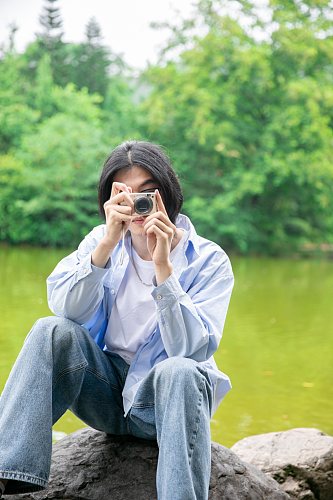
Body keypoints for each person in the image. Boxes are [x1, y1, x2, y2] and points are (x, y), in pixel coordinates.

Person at [0, 140, 234, 499]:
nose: (139, 206)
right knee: (50, 330)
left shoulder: (209, 260)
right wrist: (107, 243)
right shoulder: (101, 239)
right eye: (126, 194)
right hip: (105, 396)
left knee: (181, 370)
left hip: (165, 404)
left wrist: (163, 270)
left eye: (148, 193)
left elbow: (193, 349)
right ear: (110, 199)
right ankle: (8, 474)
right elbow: (66, 310)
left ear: (167, 194)